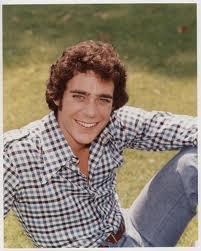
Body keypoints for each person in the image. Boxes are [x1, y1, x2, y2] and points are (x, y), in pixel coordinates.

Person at [4, 40, 197, 248]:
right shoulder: (14, 155)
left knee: (194, 160)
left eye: (103, 100)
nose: (91, 112)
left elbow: (185, 127)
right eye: (79, 96)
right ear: (58, 96)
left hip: (135, 229)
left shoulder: (112, 124)